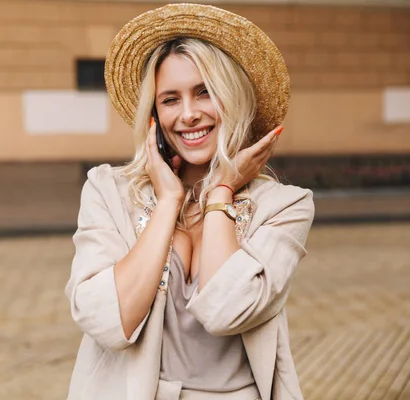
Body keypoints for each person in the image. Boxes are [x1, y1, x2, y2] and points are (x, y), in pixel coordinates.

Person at [65, 4, 314, 400]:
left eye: (205, 93)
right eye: (170, 99)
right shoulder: (107, 192)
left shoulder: (284, 207)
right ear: (153, 115)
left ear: (232, 99)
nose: (189, 114)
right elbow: (106, 321)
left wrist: (221, 193)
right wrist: (167, 203)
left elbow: (226, 311)